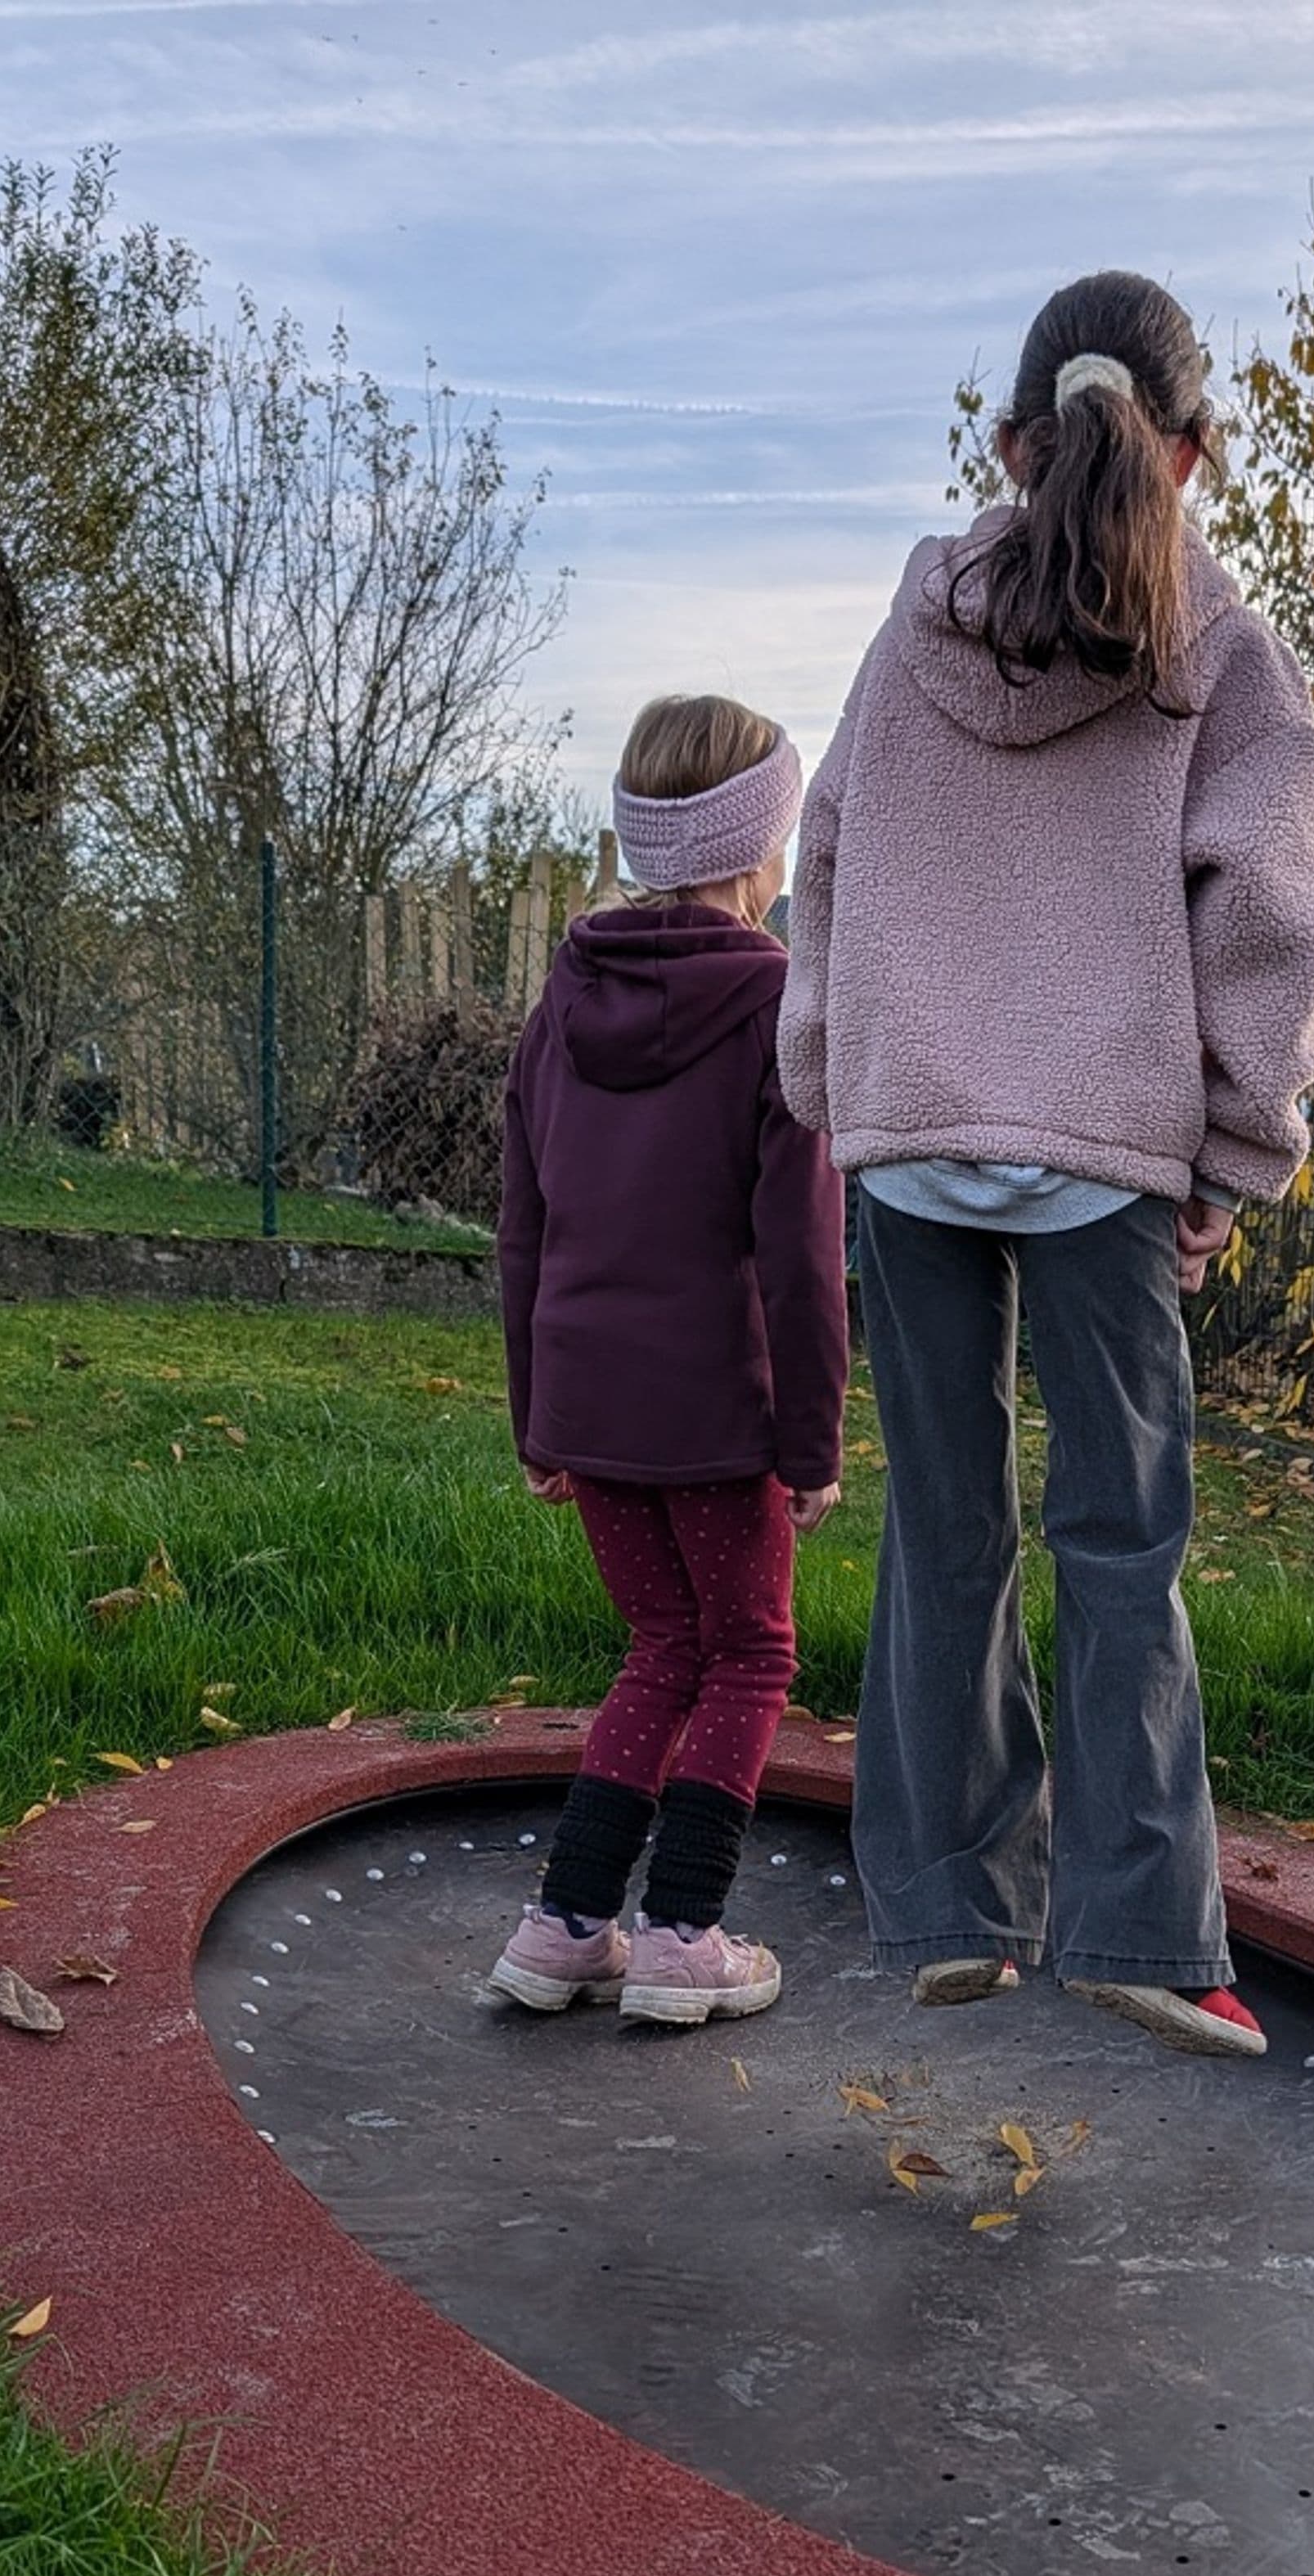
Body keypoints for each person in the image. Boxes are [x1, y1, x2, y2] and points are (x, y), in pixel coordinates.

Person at [779, 271, 1314, 2058]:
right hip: (1105, 1155)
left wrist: (835, 1082)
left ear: (1011, 446)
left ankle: (945, 1901)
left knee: (947, 1529)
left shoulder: (913, 626)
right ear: (1187, 454)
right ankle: (1141, 1934)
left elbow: (829, 853)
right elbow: (1271, 905)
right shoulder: (1222, 655)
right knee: (1121, 1539)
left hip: (913, 1144)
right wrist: (1235, 1145)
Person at [491, 693, 848, 2028]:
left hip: (589, 1399)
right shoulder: (774, 1012)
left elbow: (523, 1227)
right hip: (719, 1409)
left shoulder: (560, 997)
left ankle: (563, 1928)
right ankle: (684, 1933)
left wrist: (540, 1418)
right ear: (763, 845)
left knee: (658, 1648)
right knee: (748, 1653)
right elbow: (803, 1253)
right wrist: (810, 1442)